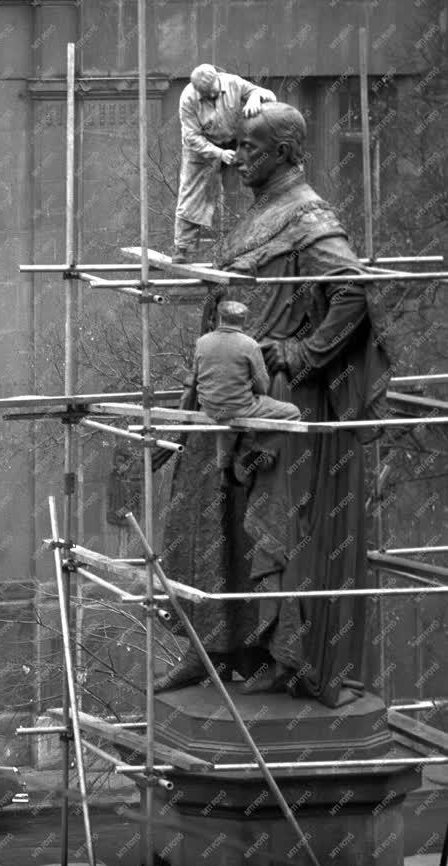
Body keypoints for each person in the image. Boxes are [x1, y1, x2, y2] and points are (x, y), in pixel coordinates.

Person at [156, 102, 391, 707]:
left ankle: (277, 656)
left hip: (274, 396)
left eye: (252, 151)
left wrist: (303, 354)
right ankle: (214, 645)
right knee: (207, 512)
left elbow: (353, 291)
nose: (240, 162)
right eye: (238, 150)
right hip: (227, 391)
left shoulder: (310, 216)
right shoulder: (260, 214)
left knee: (268, 526)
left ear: (286, 152)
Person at [173, 63, 276, 263]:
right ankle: (183, 248)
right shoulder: (188, 98)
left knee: (242, 191)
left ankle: (243, 243)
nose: (212, 97)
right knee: (191, 195)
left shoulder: (233, 82)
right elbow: (191, 138)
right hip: (201, 147)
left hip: (233, 141)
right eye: (207, 95)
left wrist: (255, 95)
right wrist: (219, 154)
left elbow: (269, 95)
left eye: (214, 92)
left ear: (218, 80)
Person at [191, 299, 300, 473]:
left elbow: (196, 374)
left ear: (221, 318)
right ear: (243, 320)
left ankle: (225, 469)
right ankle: (258, 450)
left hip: (209, 407)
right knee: (292, 413)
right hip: (238, 408)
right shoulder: (249, 345)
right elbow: (262, 386)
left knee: (225, 417)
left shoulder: (202, 342)